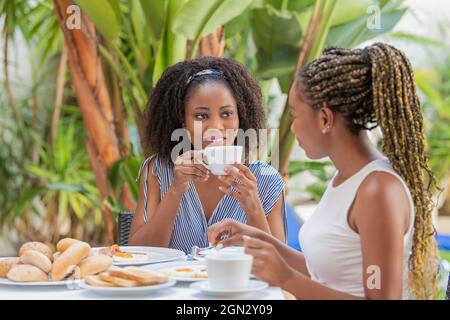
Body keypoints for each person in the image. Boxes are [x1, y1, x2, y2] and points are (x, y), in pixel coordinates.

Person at [208, 43, 439, 300]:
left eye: (295, 115)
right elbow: (327, 273)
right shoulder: (347, 178)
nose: (293, 128)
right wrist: (259, 240)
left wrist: (287, 279)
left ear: (325, 119)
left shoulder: (377, 190)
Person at [129, 57, 286, 254]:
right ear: (183, 123)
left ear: (240, 118)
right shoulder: (158, 171)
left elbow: (280, 266)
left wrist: (252, 203)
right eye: (201, 116)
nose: (215, 127)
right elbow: (137, 253)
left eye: (226, 114)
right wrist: (176, 190)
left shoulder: (266, 180)